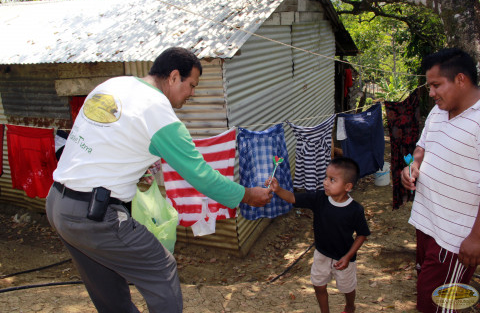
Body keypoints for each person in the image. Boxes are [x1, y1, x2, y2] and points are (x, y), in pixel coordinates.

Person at [46, 47, 272, 313]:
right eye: (192, 85)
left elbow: (105, 141)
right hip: (95, 216)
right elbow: (201, 175)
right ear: (174, 77)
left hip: (57, 204)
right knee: (160, 267)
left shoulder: (115, 85)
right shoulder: (158, 112)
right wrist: (247, 194)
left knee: (108, 289)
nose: (192, 94)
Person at [401, 48, 480, 313]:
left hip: (454, 238)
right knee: (427, 294)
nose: (431, 93)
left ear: (460, 79)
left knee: (435, 305)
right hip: (427, 223)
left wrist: (477, 237)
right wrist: (412, 167)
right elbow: (422, 148)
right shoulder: (438, 111)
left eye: (436, 85)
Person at [267, 157, 370, 313]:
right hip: (321, 253)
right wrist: (278, 189)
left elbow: (362, 234)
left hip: (344, 258)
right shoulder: (319, 199)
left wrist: (348, 256)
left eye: (332, 179)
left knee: (347, 287)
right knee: (318, 285)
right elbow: (293, 198)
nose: (325, 182)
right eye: (326, 177)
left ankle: (350, 305)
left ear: (347, 186)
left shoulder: (355, 210)